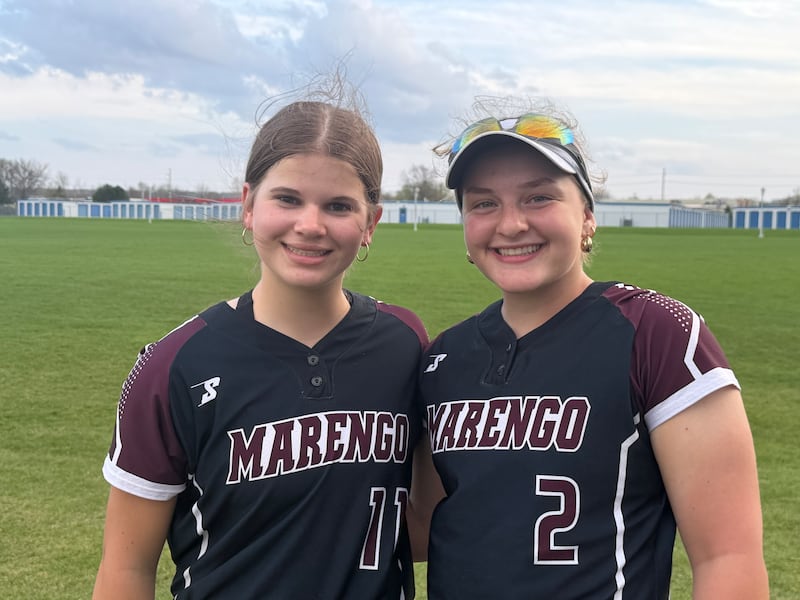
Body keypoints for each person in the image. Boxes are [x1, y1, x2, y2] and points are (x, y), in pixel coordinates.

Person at [410, 103, 769, 599]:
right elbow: (423, 526)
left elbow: (727, 558)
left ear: (587, 217)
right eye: (484, 203)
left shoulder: (655, 332)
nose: (511, 224)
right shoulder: (443, 357)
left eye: (538, 197)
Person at [93, 85, 428, 600]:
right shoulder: (176, 363)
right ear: (248, 206)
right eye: (287, 199)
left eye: (338, 206)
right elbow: (126, 570)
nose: (310, 225)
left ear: (370, 224)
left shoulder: (405, 344)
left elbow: (426, 525)